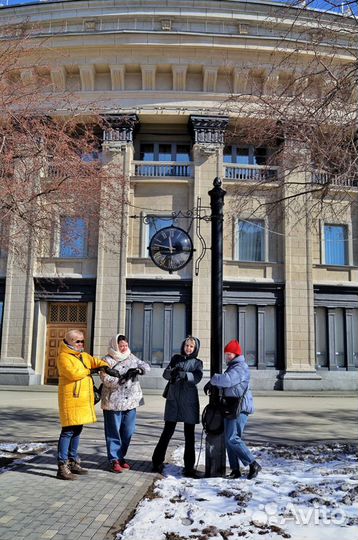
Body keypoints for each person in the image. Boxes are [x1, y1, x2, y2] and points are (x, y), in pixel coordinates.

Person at [204, 339, 261, 480]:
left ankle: (253, 463)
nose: (227, 357)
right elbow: (226, 384)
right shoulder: (233, 366)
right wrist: (214, 385)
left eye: (230, 354)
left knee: (232, 438)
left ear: (236, 354)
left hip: (239, 408)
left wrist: (213, 379)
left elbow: (228, 380)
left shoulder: (240, 367)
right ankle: (235, 470)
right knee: (232, 439)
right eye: (226, 354)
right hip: (231, 407)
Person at [56, 329, 109, 480]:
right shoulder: (63, 357)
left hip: (82, 400)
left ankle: (73, 461)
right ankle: (62, 465)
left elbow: (96, 361)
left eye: (82, 341)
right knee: (67, 431)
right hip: (71, 399)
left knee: (78, 430)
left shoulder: (83, 356)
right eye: (77, 341)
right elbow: (74, 373)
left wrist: (104, 366)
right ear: (68, 342)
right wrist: (91, 369)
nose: (81, 344)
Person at [152, 336, 203, 477]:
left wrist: (185, 375)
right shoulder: (176, 358)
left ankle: (189, 467)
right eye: (187, 345)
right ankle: (157, 461)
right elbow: (165, 374)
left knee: (189, 435)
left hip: (189, 402)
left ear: (195, 349)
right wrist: (172, 372)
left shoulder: (197, 363)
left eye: (191, 346)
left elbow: (197, 377)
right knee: (167, 432)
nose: (188, 348)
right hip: (173, 400)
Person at [100, 334, 150, 473]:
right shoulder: (106, 360)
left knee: (128, 431)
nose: (123, 348)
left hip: (131, 401)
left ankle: (121, 456)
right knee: (113, 432)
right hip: (113, 402)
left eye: (125, 346)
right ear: (115, 346)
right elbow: (106, 379)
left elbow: (145, 366)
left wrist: (139, 370)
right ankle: (114, 459)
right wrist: (122, 379)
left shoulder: (131, 356)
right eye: (121, 346)